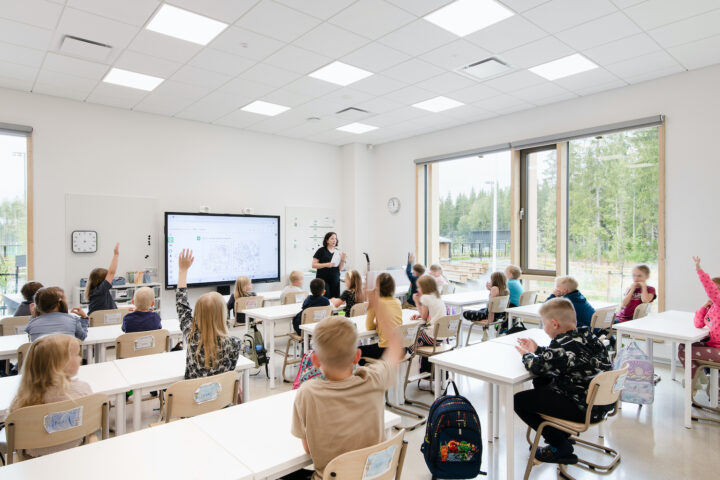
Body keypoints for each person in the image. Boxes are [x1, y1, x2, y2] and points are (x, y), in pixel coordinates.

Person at [289, 288, 404, 480]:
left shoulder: (307, 393)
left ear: (315, 360)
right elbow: (395, 348)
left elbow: (309, 449)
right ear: (357, 356)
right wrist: (379, 305)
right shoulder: (374, 379)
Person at [514, 298, 612, 465]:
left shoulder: (560, 345)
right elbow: (567, 357)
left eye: (544, 324)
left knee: (518, 401)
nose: (544, 328)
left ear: (554, 324)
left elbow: (537, 367)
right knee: (543, 382)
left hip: (581, 407)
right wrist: (538, 349)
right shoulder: (589, 336)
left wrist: (526, 355)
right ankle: (561, 433)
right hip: (601, 404)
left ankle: (559, 445)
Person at [10, 334, 93, 458]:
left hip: (33, 459)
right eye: (76, 355)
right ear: (60, 363)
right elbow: (90, 421)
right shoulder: (83, 390)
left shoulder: (21, 402)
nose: (80, 359)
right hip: (75, 449)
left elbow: (13, 435)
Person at [175, 249, 243, 379]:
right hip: (222, 398)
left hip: (192, 398)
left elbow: (181, 305)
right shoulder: (234, 344)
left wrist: (183, 271)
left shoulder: (191, 337)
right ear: (223, 314)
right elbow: (229, 375)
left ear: (197, 314)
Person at [678, 257, 720, 379]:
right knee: (684, 346)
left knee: (684, 351)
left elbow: (711, 290)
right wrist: (703, 308)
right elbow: (698, 324)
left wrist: (699, 270)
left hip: (717, 348)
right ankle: (703, 378)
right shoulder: (713, 307)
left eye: (716, 289)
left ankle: (694, 382)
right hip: (712, 344)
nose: (713, 293)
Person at [360, 273, 401, 361]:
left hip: (385, 350)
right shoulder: (397, 302)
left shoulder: (377, 303)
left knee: (357, 351)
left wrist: (379, 325)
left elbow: (369, 327)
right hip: (401, 348)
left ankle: (368, 373)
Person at [411, 275, 447, 374]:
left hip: (431, 336)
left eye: (419, 287)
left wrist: (416, 302)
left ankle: (406, 366)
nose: (417, 289)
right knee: (416, 335)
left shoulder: (425, 298)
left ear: (424, 288)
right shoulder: (436, 296)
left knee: (408, 340)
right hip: (440, 337)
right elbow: (430, 314)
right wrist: (419, 315)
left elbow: (423, 317)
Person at [85, 243, 120, 314]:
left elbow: (112, 308)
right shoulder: (100, 291)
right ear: (102, 281)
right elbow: (111, 272)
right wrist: (116, 255)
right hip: (100, 322)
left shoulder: (97, 292)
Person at [312, 232, 346, 299]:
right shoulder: (321, 250)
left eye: (335, 239)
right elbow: (313, 265)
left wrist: (342, 260)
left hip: (335, 279)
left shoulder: (338, 252)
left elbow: (340, 268)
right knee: (325, 299)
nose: (334, 240)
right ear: (327, 240)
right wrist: (326, 264)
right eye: (332, 238)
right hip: (323, 280)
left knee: (335, 299)